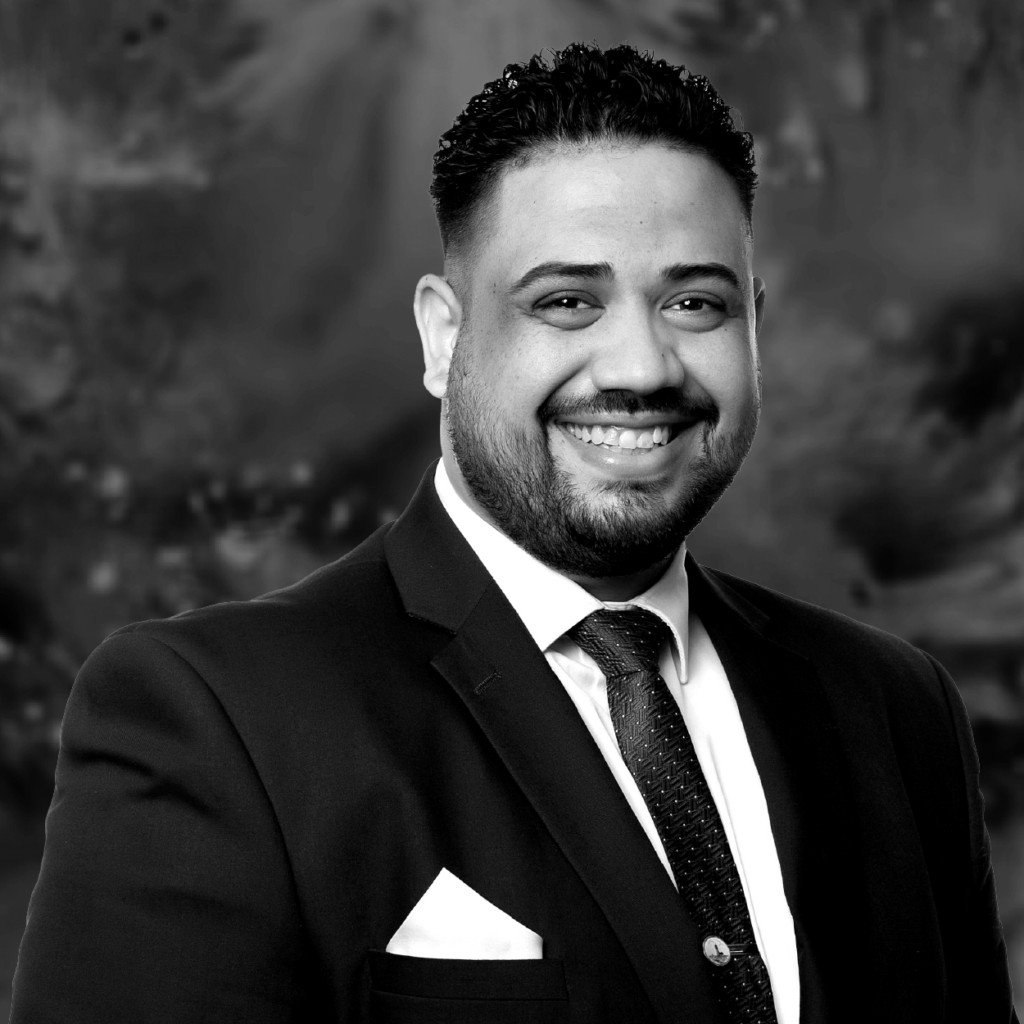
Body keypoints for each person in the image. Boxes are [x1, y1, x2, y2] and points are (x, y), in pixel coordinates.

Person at [10, 42, 1018, 1024]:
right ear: (444, 337)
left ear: (755, 326)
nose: (643, 364)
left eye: (695, 302)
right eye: (567, 301)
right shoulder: (217, 719)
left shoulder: (892, 709)